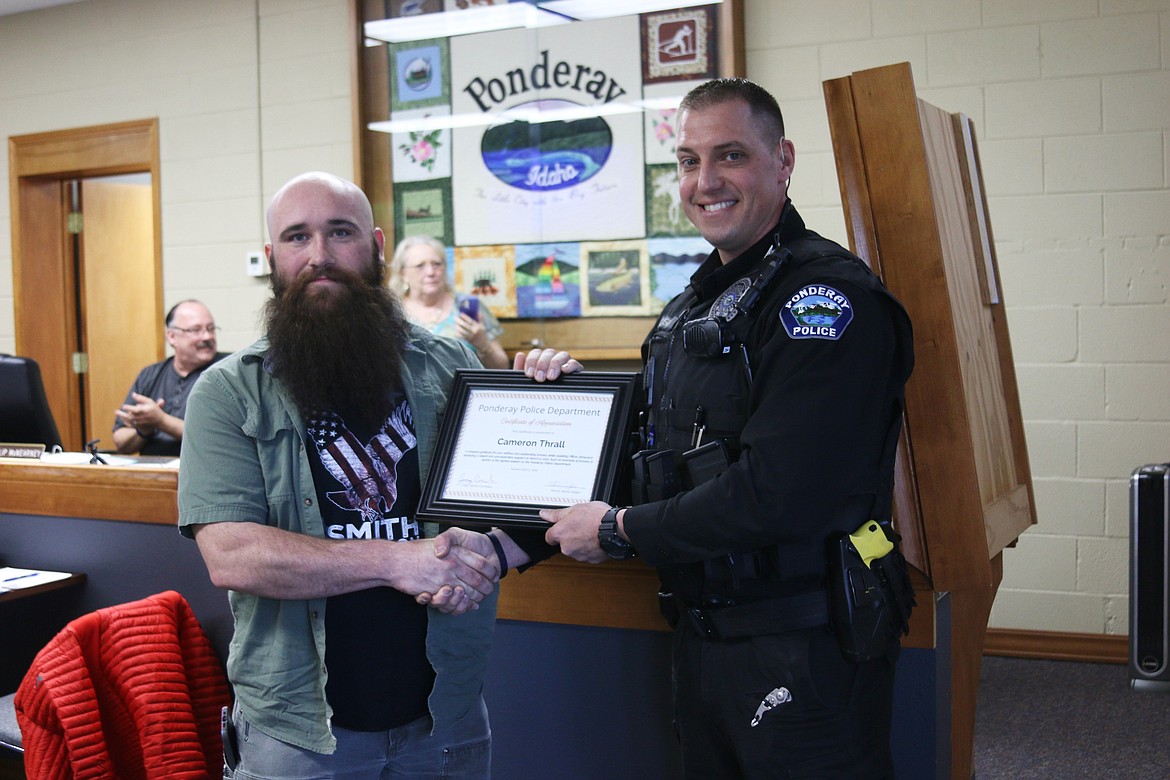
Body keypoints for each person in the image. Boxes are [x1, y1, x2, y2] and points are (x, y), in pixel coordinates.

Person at [534, 78, 915, 778]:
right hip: (707, 638)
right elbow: (667, 450)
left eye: (730, 155)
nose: (705, 181)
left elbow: (780, 491)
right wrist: (567, 406)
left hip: (806, 645)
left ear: (783, 161)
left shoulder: (823, 303)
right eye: (687, 161)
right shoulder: (697, 302)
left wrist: (620, 530)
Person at [177, 172, 561, 778]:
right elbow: (233, 556)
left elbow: (520, 504)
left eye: (341, 233)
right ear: (273, 256)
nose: (320, 256)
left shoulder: (448, 364)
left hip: (446, 719)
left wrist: (556, 407)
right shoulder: (228, 392)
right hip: (299, 734)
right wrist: (399, 559)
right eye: (298, 237)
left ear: (377, 245)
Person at [112, 299, 228, 456]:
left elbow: (218, 438)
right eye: (196, 330)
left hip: (201, 474)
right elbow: (120, 441)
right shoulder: (150, 374)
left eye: (211, 328)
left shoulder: (227, 372)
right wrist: (144, 430)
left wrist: (160, 421)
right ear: (172, 336)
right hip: (151, 475)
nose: (207, 336)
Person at [390, 235, 510, 369]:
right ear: (402, 273)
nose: (430, 272)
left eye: (437, 264)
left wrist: (482, 344)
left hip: (464, 389)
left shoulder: (467, 305)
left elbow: (502, 367)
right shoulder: (391, 312)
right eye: (420, 266)